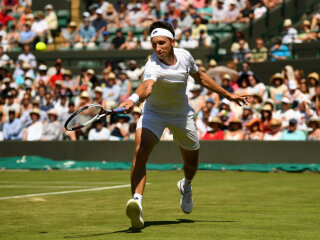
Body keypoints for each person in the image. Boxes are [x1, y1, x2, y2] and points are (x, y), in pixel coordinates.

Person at [118, 21, 250, 229]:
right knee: (141, 150)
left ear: (173, 42)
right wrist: (133, 99)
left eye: (161, 43)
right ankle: (137, 203)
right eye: (154, 44)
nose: (157, 48)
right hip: (154, 113)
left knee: (191, 164)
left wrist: (229, 95)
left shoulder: (185, 56)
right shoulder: (152, 64)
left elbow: (201, 77)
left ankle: (186, 185)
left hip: (181, 115)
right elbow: (147, 86)